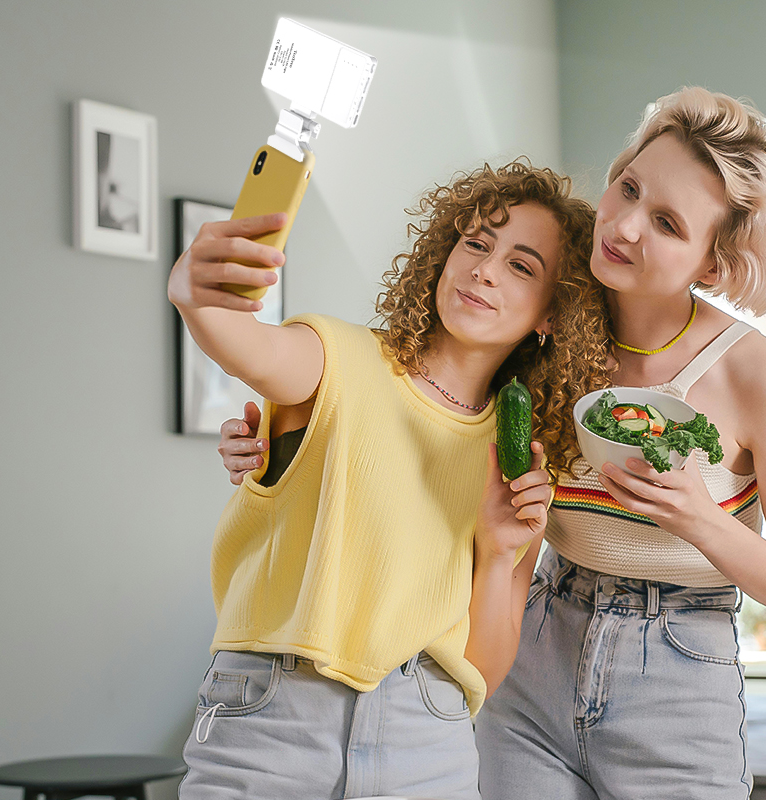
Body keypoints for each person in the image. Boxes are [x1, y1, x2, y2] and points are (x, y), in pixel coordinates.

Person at [219, 87, 766, 799]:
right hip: (539, 643)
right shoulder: (541, 329)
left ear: (712, 265)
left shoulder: (757, 376)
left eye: (666, 222)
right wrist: (284, 446)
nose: (626, 225)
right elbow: (408, 408)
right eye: (627, 189)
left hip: (679, 663)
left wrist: (699, 519)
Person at [169, 160, 611, 800]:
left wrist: (499, 552)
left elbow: (480, 669)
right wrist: (196, 295)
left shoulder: (521, 463)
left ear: (551, 314)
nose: (485, 269)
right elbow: (247, 343)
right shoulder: (335, 357)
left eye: (521, 266)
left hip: (426, 737)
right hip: (276, 716)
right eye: (477, 244)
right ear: (446, 255)